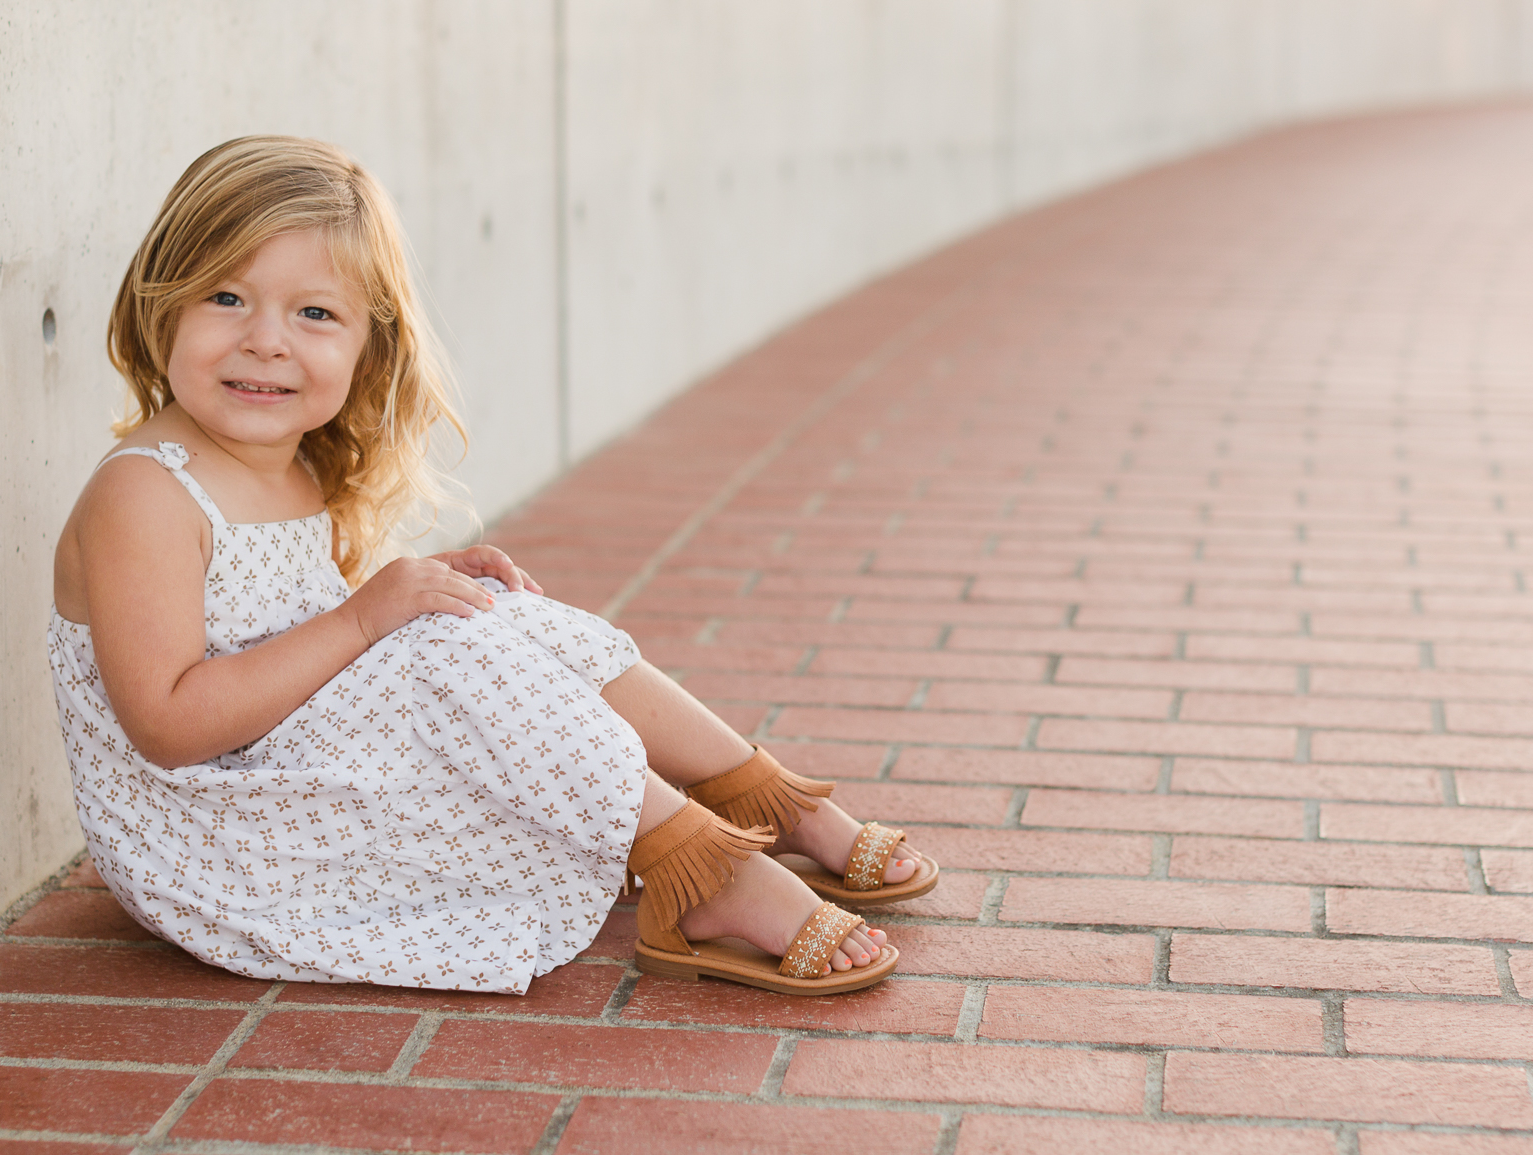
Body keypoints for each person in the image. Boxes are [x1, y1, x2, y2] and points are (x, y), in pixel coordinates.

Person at [47, 135, 939, 996]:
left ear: (367, 349)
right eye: (226, 298)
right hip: (211, 839)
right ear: (162, 302)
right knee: (447, 650)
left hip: (281, 773)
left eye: (314, 313)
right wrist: (368, 618)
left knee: (485, 614)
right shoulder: (148, 496)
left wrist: (405, 593)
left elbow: (291, 630)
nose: (267, 340)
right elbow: (167, 722)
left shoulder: (290, 462)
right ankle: (698, 870)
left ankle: (758, 795)